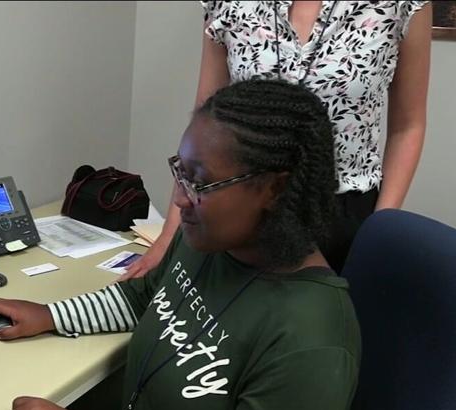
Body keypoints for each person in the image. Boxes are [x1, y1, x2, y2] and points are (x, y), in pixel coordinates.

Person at [0, 79, 361, 410]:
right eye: (180, 172)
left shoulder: (312, 340)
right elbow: (143, 297)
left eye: (199, 182)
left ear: (273, 189)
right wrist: (51, 315)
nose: (178, 199)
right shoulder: (213, 240)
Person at [123, 0, 432, 278]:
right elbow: (206, 124)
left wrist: (379, 233)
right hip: (242, 210)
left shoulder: (400, 5)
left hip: (344, 216)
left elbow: (408, 127)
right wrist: (169, 237)